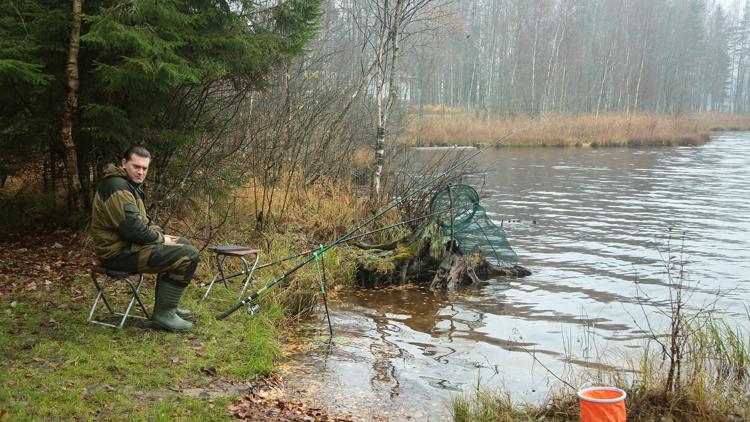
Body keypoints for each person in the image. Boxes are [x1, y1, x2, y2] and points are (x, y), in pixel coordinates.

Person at [90, 146, 198, 332]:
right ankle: (164, 317)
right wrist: (160, 238)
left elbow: (144, 221)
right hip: (117, 253)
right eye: (136, 166)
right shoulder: (117, 187)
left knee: (183, 244)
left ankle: (168, 307)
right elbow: (133, 230)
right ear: (124, 163)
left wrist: (162, 235)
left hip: (129, 247)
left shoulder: (128, 186)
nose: (141, 172)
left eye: (144, 168)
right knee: (187, 255)